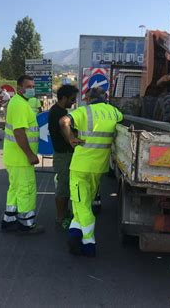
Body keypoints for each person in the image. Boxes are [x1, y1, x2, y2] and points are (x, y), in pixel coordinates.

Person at [60, 87, 123, 257]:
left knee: (83, 206)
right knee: (82, 204)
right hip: (99, 168)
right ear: (106, 97)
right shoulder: (115, 112)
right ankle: (74, 236)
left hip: (80, 166)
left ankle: (88, 243)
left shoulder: (83, 111)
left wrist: (71, 138)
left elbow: (63, 121)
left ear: (88, 99)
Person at [1, 75, 44, 235]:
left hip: (14, 157)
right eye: (29, 86)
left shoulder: (20, 102)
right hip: (21, 158)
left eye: (33, 86)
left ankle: (9, 219)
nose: (32, 89)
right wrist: (30, 154)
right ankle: (26, 224)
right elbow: (19, 132)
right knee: (26, 189)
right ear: (20, 88)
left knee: (15, 188)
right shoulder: (19, 104)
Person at [48, 84, 78, 229]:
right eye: (72, 99)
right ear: (64, 98)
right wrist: (76, 141)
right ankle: (60, 217)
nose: (74, 102)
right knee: (63, 186)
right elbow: (67, 136)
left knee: (65, 186)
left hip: (64, 154)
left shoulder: (59, 110)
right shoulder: (58, 113)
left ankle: (64, 213)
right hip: (63, 155)